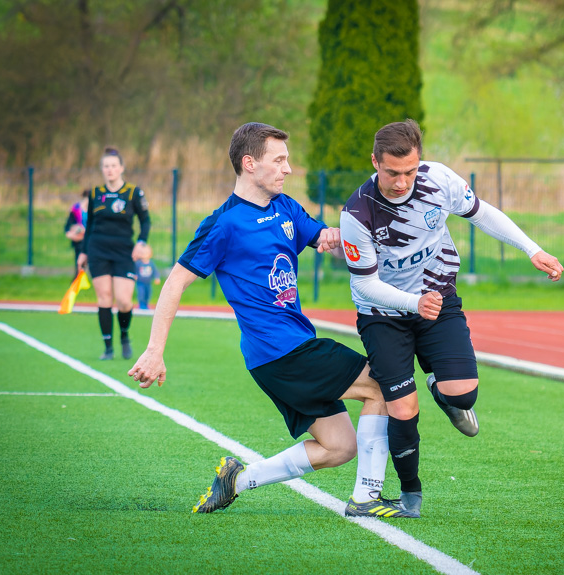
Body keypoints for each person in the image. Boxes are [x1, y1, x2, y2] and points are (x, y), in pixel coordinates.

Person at [127, 122, 416, 518]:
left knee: (340, 447)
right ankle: (367, 497)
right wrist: (155, 350)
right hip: (281, 351)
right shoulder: (223, 223)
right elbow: (176, 281)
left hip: (282, 354)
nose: (288, 168)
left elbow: (326, 239)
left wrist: (369, 240)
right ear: (249, 164)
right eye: (279, 160)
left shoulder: (284, 207)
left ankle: (238, 480)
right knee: (382, 385)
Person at [339, 119, 564, 516]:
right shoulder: (357, 213)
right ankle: (411, 496)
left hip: (439, 301)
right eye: (392, 173)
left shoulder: (440, 180)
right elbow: (365, 287)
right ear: (375, 162)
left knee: (464, 392)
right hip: (383, 315)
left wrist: (532, 249)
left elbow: (482, 213)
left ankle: (443, 391)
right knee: (403, 408)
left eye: (410, 171)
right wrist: (412, 303)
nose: (402, 182)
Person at [77, 148, 150, 361]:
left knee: (124, 301)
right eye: (106, 166)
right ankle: (108, 347)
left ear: (121, 168)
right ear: (102, 169)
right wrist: (83, 253)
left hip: (124, 251)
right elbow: (89, 225)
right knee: (104, 298)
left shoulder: (133, 193)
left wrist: (141, 242)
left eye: (113, 166)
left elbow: (145, 221)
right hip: (97, 250)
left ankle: (124, 336)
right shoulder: (95, 194)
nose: (110, 170)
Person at [64, 189, 90, 278]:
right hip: (79, 240)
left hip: (91, 239)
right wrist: (70, 232)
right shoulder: (76, 209)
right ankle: (78, 279)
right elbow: (68, 225)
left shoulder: (94, 209)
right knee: (79, 261)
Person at [134, 243, 160, 310]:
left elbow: (155, 271)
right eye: (142, 253)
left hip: (148, 283)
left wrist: (157, 278)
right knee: (141, 293)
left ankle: (146, 304)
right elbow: (135, 270)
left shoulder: (151, 263)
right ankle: (141, 304)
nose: (144, 255)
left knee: (148, 294)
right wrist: (135, 275)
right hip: (140, 282)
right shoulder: (138, 263)